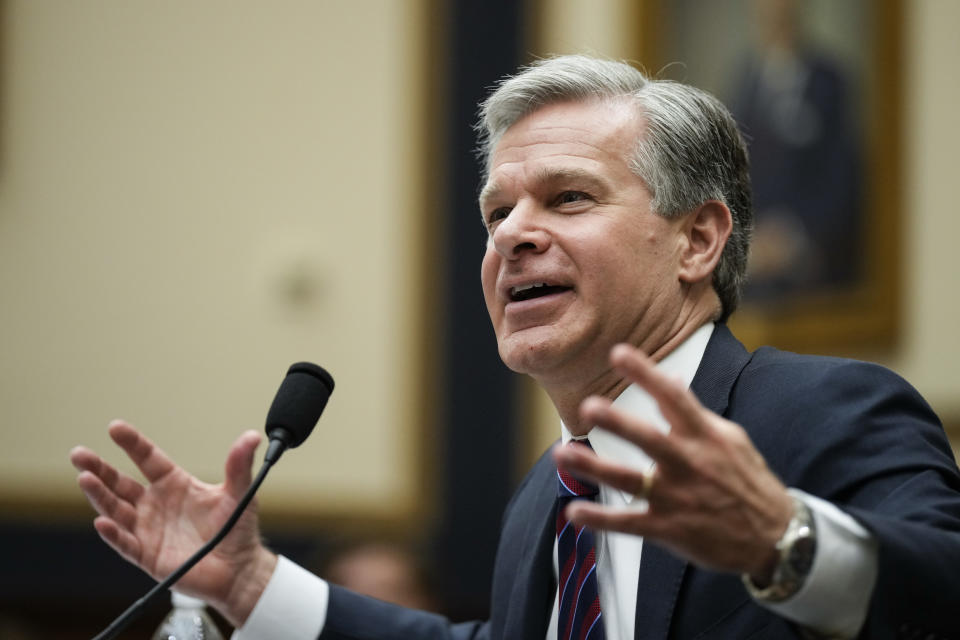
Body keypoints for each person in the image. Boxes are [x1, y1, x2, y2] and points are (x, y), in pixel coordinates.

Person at [70, 55, 960, 639]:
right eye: (498, 213)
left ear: (698, 242)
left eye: (569, 198)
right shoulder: (547, 496)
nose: (512, 237)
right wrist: (254, 584)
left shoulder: (828, 410)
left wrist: (780, 542)